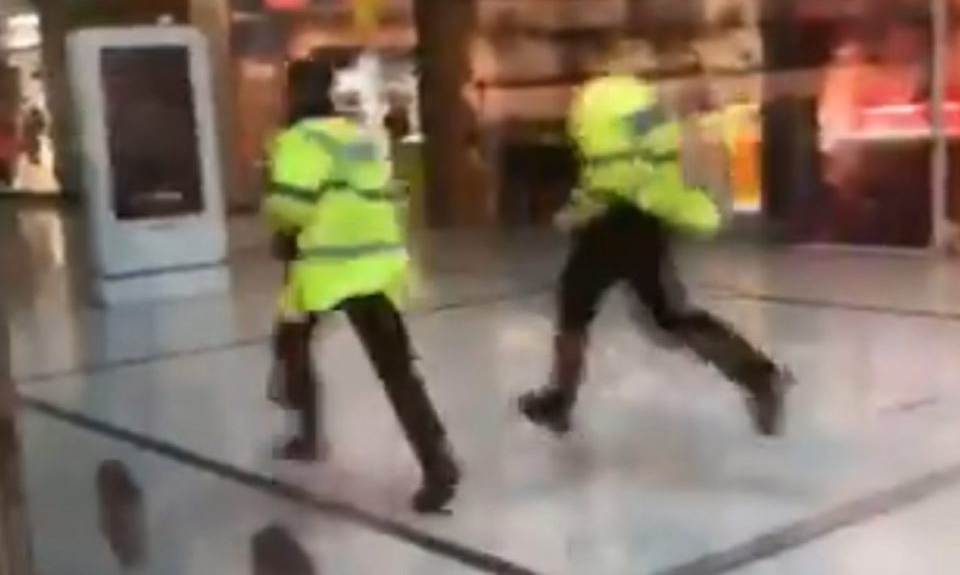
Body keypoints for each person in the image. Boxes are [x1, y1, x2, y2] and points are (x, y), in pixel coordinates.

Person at [518, 47, 790, 437]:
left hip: (617, 218)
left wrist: (578, 211)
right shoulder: (641, 98)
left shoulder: (596, 104)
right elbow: (656, 155)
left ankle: (760, 376)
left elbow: (610, 172)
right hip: (642, 213)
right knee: (590, 303)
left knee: (655, 313)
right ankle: (559, 399)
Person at [263, 59, 459, 513]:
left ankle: (308, 434)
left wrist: (279, 228)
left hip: (326, 268)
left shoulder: (297, 140)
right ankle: (437, 463)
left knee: (291, 344)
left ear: (293, 94)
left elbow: (289, 208)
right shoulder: (358, 138)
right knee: (397, 372)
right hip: (377, 264)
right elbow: (385, 192)